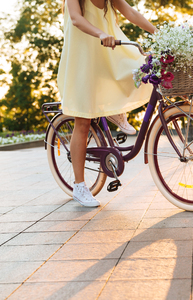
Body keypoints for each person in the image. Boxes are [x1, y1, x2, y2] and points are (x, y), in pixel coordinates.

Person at [58, 0, 156, 206]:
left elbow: (130, 12)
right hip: (83, 59)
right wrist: (101, 33)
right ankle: (79, 186)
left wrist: (157, 32)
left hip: (108, 55)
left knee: (139, 69)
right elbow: (76, 18)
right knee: (83, 122)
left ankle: (114, 111)